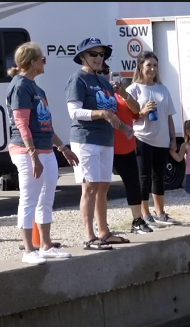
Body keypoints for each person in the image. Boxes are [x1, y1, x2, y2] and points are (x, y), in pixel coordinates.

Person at [5, 42, 78, 264]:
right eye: (42, 59)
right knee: (29, 198)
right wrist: (33, 154)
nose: (45, 62)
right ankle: (28, 250)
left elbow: (46, 125)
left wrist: (63, 148)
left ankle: (46, 245)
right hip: (26, 150)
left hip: (46, 148)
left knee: (46, 198)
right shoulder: (20, 87)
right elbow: (21, 123)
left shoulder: (37, 88)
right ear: (32, 62)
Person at [66, 37, 132, 251]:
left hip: (106, 140)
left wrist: (124, 127)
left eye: (101, 54)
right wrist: (101, 113)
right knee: (89, 187)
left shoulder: (104, 82)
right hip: (85, 139)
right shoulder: (78, 78)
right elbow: (74, 112)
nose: (98, 58)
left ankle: (104, 233)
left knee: (103, 187)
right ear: (82, 56)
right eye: (93, 53)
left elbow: (111, 112)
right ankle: (89, 237)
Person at [127, 51, 179, 226]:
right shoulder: (133, 89)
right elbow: (128, 116)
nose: (152, 69)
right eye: (148, 65)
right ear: (140, 67)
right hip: (142, 138)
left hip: (162, 140)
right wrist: (142, 112)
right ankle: (145, 214)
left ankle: (160, 213)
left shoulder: (162, 89)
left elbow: (169, 116)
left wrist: (173, 138)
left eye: (155, 65)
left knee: (159, 176)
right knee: (144, 177)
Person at [102, 63, 151, 235]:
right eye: (101, 72)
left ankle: (137, 220)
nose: (105, 75)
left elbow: (136, 111)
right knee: (102, 188)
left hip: (127, 146)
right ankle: (102, 225)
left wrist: (124, 93)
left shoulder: (121, 94)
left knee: (133, 183)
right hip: (105, 146)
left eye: (107, 71)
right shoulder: (97, 95)